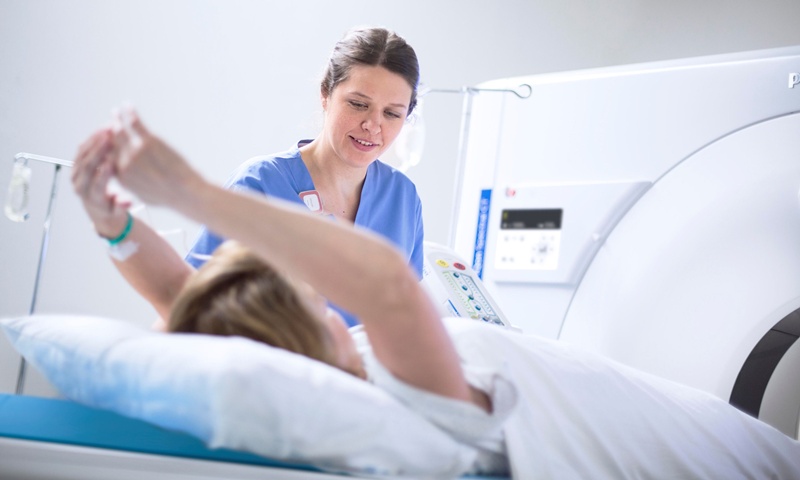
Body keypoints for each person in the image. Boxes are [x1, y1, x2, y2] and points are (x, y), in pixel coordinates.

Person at [72, 111, 800, 478]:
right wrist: (194, 194)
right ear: (300, 333)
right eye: (303, 296)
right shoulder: (397, 394)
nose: (315, 292)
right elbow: (384, 282)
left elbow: (194, 306)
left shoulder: (357, 357)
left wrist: (115, 224)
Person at [185, 26, 425, 327]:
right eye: (358, 104)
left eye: (391, 113)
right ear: (326, 94)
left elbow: (407, 320)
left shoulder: (402, 199)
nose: (373, 125)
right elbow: (188, 305)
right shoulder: (260, 185)